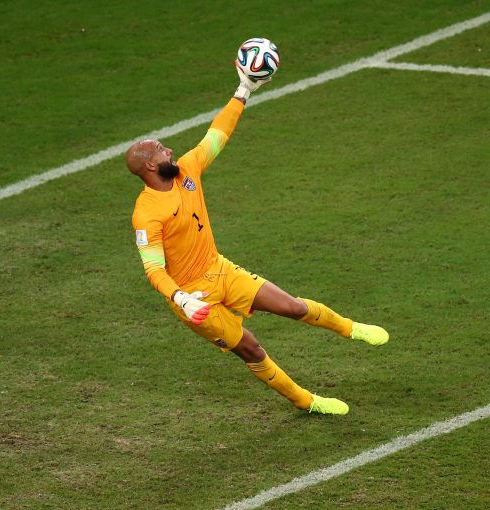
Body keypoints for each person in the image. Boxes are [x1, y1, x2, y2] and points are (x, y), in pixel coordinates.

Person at [126, 65, 389, 415]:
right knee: (252, 349)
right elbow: (153, 268)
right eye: (161, 150)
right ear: (148, 167)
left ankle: (351, 328)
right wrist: (182, 299)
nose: (169, 150)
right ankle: (307, 401)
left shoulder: (188, 171)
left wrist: (243, 91)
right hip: (193, 297)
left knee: (292, 306)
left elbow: (217, 135)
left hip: (219, 270)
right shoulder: (146, 213)